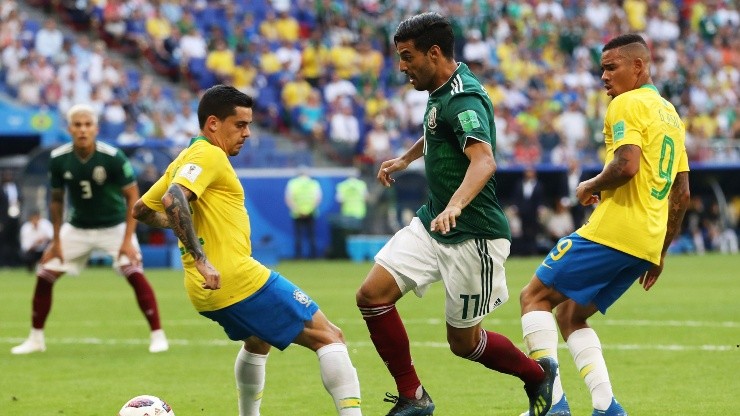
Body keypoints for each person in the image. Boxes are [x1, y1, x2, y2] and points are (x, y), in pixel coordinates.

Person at [355, 13, 557, 416]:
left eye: (408, 57)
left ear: (434, 53)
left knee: (463, 343)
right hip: (434, 223)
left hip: (474, 234)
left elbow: (484, 161)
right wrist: (405, 158)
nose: (402, 66)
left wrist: (455, 205)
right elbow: (436, 128)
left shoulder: (464, 97)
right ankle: (413, 397)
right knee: (371, 296)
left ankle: (537, 376)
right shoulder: (439, 87)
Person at [132, 85, 362, 416]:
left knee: (257, 341)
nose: (247, 133)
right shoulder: (208, 154)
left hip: (205, 289)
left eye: (249, 125)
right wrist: (201, 258)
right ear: (213, 124)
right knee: (330, 336)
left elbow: (142, 209)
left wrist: (187, 230)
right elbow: (172, 200)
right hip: (234, 276)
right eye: (239, 125)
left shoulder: (183, 159)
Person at [519, 34, 690, 416]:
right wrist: (659, 251)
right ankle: (607, 407)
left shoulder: (626, 104)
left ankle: (552, 405)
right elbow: (682, 194)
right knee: (570, 315)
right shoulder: (670, 114)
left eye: (612, 67)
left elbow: (626, 165)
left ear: (639, 67)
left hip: (614, 230)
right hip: (645, 242)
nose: (604, 77)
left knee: (534, 297)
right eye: (601, 69)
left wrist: (590, 184)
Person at [11, 104, 169, 355]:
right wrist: (56, 241)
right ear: (69, 128)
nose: (82, 130)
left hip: (114, 226)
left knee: (134, 272)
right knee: (45, 273)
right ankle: (35, 339)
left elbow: (133, 198)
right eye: (77, 125)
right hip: (78, 227)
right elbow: (56, 200)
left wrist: (128, 239)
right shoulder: (59, 158)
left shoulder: (112, 156)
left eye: (87, 125)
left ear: (95, 128)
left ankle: (158, 335)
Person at [328, 171, 369, 258]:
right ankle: (358, 255)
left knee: (347, 237)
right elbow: (366, 198)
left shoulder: (342, 186)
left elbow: (340, 200)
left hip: (347, 214)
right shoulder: (361, 184)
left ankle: (347, 254)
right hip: (359, 212)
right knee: (358, 237)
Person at [284, 168, 322, 258]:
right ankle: (313, 256)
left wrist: (298, 210)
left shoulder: (292, 183)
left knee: (298, 236)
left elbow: (288, 198)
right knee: (312, 235)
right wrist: (309, 210)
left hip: (297, 213)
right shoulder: (314, 183)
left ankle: (298, 256)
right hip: (311, 212)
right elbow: (318, 198)